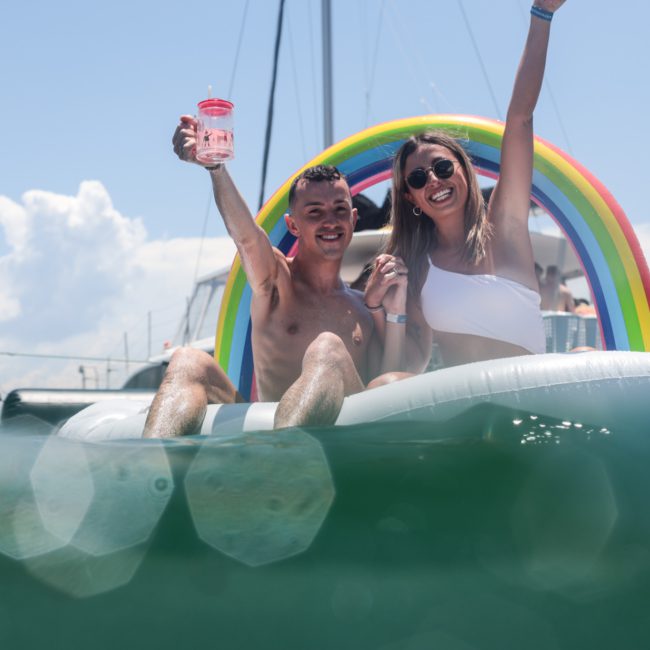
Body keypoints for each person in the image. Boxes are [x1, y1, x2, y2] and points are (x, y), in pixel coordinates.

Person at [143, 134, 408, 438]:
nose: (330, 221)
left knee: (329, 349)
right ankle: (154, 472)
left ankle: (278, 461)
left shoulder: (364, 306)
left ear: (353, 217)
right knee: (189, 360)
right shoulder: (278, 281)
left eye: (339, 209)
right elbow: (246, 238)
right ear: (293, 226)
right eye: (314, 213)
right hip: (269, 429)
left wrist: (391, 309)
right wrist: (216, 169)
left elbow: (386, 386)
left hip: (340, 444)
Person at [366, 0, 566, 371]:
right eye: (418, 178)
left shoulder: (504, 228)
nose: (434, 181)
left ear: (465, 170)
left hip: (529, 401)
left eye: (443, 167)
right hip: (467, 412)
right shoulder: (415, 267)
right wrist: (379, 309)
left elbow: (520, 118)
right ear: (409, 196)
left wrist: (542, 14)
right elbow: (401, 368)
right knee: (385, 384)